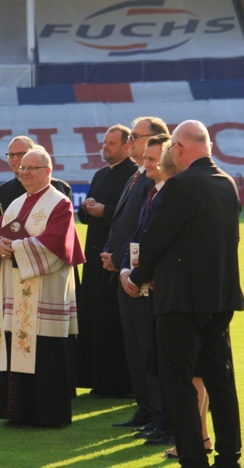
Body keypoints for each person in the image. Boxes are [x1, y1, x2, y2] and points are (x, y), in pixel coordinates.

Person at [128, 120, 244, 467]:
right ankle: (229, 456)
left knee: (178, 383)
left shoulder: (179, 186)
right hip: (220, 298)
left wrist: (138, 276)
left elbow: (156, 238)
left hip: (180, 299)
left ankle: (193, 458)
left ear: (178, 148)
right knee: (220, 380)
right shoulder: (228, 184)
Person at [0, 147, 85, 427]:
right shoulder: (17, 203)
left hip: (44, 290)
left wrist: (13, 247)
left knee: (45, 352)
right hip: (14, 289)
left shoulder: (59, 203)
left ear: (48, 171)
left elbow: (56, 244)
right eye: (22, 168)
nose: (25, 172)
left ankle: (47, 415)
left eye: (32, 168)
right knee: (15, 344)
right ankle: (19, 413)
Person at [102, 117, 168, 429]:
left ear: (155, 141)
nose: (130, 141)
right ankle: (146, 408)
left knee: (147, 347)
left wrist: (118, 258)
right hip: (125, 270)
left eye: (136, 136)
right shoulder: (137, 175)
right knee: (135, 347)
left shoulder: (153, 179)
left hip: (136, 273)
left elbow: (145, 231)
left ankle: (157, 411)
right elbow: (124, 223)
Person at [75, 124, 137, 395]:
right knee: (95, 316)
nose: (105, 147)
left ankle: (118, 383)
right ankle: (97, 379)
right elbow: (86, 212)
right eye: (104, 143)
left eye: (111, 143)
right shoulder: (100, 174)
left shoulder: (134, 174)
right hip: (94, 257)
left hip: (117, 257)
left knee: (113, 319)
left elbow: (130, 215)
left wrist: (104, 211)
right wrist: (87, 209)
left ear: (127, 145)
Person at [0, 136, 72, 231]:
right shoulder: (3, 190)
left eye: (20, 154)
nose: (15, 159)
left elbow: (65, 229)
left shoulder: (59, 187)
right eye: (11, 155)